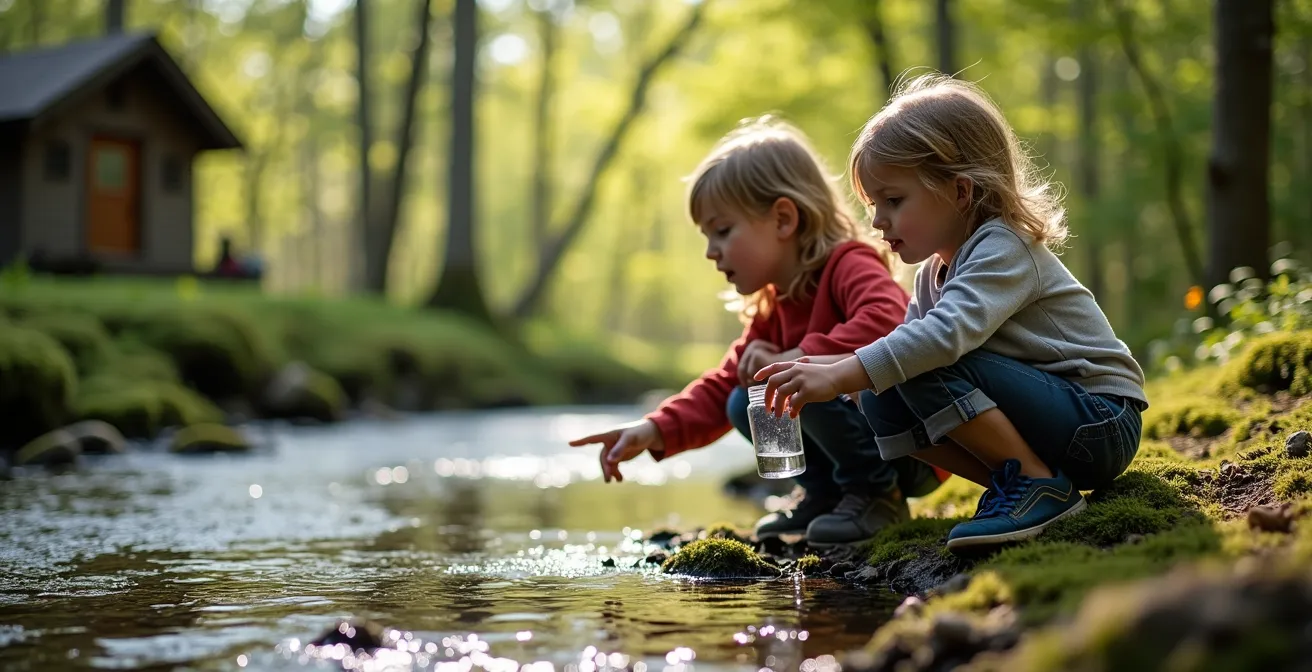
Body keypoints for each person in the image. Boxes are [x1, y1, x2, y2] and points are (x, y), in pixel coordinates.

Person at [756, 75, 1149, 553]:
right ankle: (1022, 486)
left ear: (961, 191)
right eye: (874, 205)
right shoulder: (932, 273)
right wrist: (824, 368)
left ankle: (1034, 482)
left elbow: (941, 340)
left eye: (894, 201)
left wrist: (843, 374)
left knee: (919, 363)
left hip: (1099, 421)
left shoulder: (1004, 245)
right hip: (1054, 425)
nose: (878, 221)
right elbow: (905, 350)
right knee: (884, 390)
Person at [569, 116, 946, 547]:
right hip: (864, 439)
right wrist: (652, 429)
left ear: (784, 219)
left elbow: (888, 321)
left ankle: (878, 496)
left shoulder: (849, 263)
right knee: (739, 398)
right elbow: (720, 386)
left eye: (723, 231)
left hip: (911, 446)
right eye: (708, 237)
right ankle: (825, 495)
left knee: (794, 378)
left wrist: (797, 356)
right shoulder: (773, 305)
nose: (711, 252)